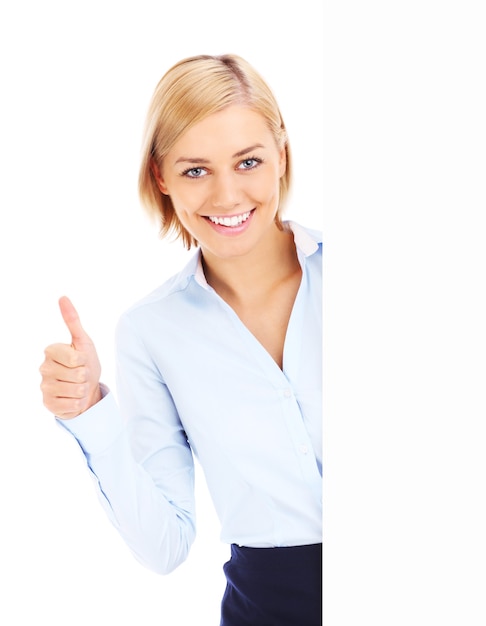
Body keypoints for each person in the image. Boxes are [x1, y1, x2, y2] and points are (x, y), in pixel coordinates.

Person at [40, 54, 322, 625]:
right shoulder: (151, 332)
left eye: (248, 161)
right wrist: (90, 409)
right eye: (196, 170)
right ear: (161, 176)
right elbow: (165, 546)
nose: (226, 196)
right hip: (270, 608)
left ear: (282, 156)